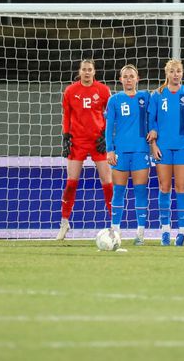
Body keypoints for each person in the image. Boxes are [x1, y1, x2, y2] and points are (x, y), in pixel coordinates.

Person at [57, 59, 113, 240]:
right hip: (77, 141)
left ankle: (115, 225)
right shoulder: (70, 91)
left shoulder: (103, 90)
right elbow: (67, 116)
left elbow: (110, 115)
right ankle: (64, 222)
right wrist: (66, 136)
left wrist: (106, 136)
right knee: (71, 182)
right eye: (84, 70)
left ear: (94, 72)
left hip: (98, 141)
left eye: (90, 69)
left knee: (107, 181)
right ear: (80, 72)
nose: (87, 72)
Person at [148, 59, 184, 246]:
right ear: (166, 73)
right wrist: (153, 144)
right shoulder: (157, 96)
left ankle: (182, 232)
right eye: (172, 71)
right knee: (164, 187)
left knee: (182, 187)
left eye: (178, 71)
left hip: (183, 147)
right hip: (163, 147)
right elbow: (151, 121)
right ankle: (165, 232)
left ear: (182, 74)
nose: (175, 74)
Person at [104, 65, 152, 245]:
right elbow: (109, 127)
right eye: (125, 76)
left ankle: (140, 234)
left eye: (132, 76)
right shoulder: (114, 100)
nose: (129, 79)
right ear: (120, 79)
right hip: (121, 152)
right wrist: (110, 149)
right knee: (118, 191)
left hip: (140, 151)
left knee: (140, 191)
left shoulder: (145, 97)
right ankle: (115, 232)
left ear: (137, 79)